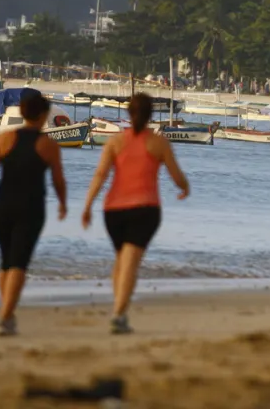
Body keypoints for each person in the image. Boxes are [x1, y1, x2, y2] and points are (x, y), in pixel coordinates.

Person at [81, 92, 189, 335]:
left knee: (122, 260)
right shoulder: (159, 143)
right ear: (152, 114)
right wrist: (185, 188)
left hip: (113, 211)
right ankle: (119, 315)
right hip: (144, 210)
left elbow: (100, 175)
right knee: (129, 262)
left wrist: (88, 206)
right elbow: (176, 175)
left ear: (129, 114)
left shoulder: (115, 142)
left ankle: (119, 309)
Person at [0, 90, 67, 336]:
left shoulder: (3, 140)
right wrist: (63, 204)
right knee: (19, 263)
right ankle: (5, 316)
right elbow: (58, 181)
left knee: (6, 262)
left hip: (2, 206)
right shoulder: (48, 144)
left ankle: (7, 314)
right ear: (44, 115)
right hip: (31, 208)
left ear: (21, 112)